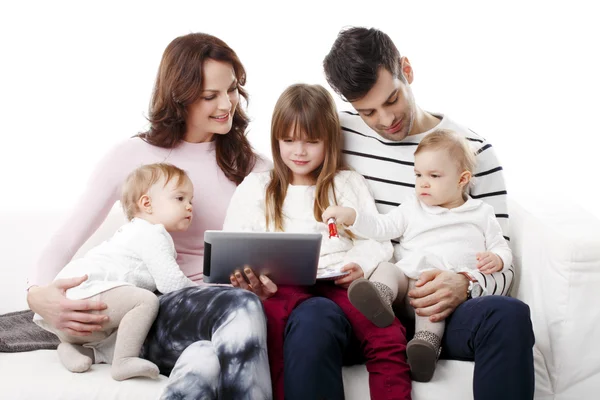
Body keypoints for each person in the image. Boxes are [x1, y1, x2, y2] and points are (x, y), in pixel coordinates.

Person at [26, 33, 271, 400]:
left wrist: (264, 282)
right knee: (240, 306)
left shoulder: (255, 168)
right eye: (210, 96)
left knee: (203, 360)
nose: (227, 104)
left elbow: (271, 253)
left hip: (219, 315)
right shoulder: (132, 156)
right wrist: (37, 295)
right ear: (179, 96)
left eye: (233, 90)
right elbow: (65, 239)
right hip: (155, 312)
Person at [323, 26, 535, 399]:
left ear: (407, 69)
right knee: (311, 320)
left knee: (508, 315)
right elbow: (284, 162)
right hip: (372, 303)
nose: (386, 120)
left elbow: (503, 262)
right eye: (367, 111)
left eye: (392, 100)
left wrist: (464, 285)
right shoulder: (338, 135)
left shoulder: (474, 153)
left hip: (441, 309)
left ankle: (427, 341)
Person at [226, 83, 411, 400]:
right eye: (288, 141)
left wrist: (360, 266)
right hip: (281, 288)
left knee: (388, 335)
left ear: (329, 141)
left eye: (311, 142)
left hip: (339, 282)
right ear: (276, 140)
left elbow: (378, 240)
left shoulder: (346, 182)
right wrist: (251, 281)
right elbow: (234, 247)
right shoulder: (257, 187)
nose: (299, 152)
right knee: (273, 336)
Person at [322, 129, 513, 382]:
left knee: (431, 310)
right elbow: (382, 227)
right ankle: (379, 297)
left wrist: (498, 259)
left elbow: (502, 247)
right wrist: (353, 216)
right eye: (418, 174)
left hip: (438, 289)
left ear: (462, 179)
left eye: (434, 176)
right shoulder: (412, 206)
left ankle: (425, 349)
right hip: (404, 282)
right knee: (387, 269)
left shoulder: (481, 213)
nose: (423, 182)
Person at [35, 163, 197, 380]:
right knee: (146, 302)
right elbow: (170, 283)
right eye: (180, 198)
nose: (189, 206)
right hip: (86, 295)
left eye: (190, 201)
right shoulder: (151, 233)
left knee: (129, 319)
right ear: (147, 203)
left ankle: (77, 349)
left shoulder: (131, 233)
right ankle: (123, 361)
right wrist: (202, 289)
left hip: (71, 314)